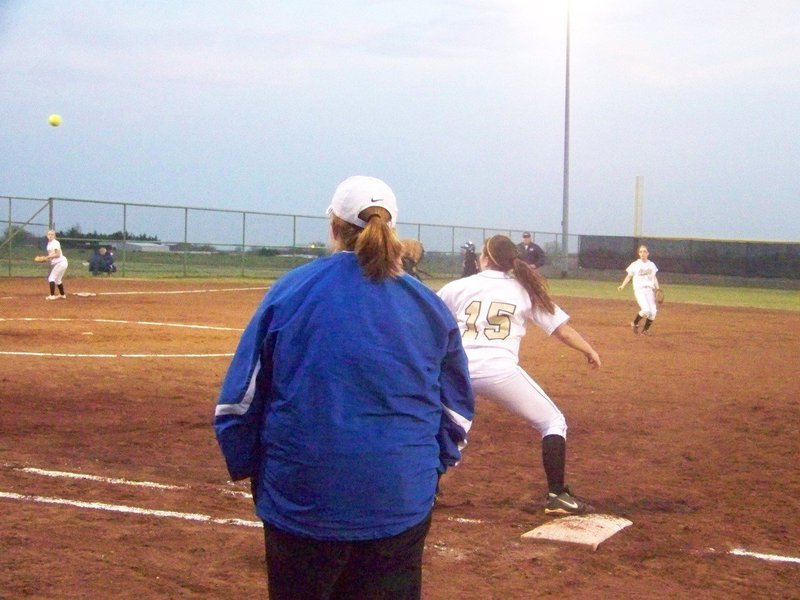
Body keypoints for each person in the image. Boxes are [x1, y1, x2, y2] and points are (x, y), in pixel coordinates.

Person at [214, 175, 475, 600]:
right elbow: (456, 409)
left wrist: (258, 471)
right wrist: (425, 471)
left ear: (334, 225)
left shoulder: (291, 291)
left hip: (303, 497)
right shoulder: (427, 304)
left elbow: (238, 404)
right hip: (399, 495)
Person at [437, 234, 601, 516]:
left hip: (458, 370)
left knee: (450, 430)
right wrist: (589, 349)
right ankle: (557, 496)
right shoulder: (524, 290)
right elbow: (562, 330)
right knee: (552, 421)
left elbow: (429, 319)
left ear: (485, 258)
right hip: (500, 370)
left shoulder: (458, 286)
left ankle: (425, 493)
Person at [618, 244, 661, 335]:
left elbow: (654, 277)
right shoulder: (635, 264)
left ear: (648, 253)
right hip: (639, 290)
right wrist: (622, 285)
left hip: (649, 290)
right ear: (638, 253)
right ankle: (635, 323)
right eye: (641, 252)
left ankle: (645, 330)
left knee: (653, 311)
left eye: (644, 251)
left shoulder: (651, 265)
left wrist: (658, 289)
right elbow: (629, 276)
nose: (642, 253)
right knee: (646, 310)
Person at [36, 230, 68, 300]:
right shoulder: (49, 243)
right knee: (58, 280)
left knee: (51, 278)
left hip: (61, 262)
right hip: (61, 263)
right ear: (47, 236)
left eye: (52, 234)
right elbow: (52, 255)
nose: (50, 236)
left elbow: (58, 254)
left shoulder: (55, 243)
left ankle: (52, 295)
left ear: (54, 236)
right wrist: (45, 259)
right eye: (49, 234)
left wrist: (47, 257)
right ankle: (62, 295)